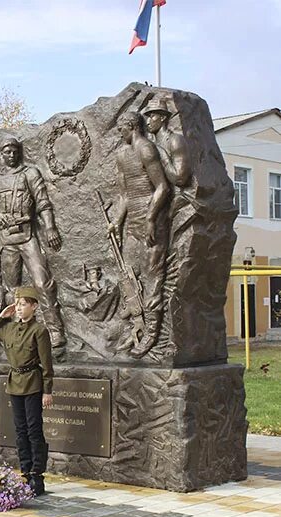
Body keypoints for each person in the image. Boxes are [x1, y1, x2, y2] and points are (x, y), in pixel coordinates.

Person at [0, 136, 66, 348]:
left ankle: (55, 330)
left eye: (15, 151)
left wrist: (50, 227)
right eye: (7, 151)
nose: (11, 155)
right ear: (1, 154)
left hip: (28, 237)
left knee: (43, 282)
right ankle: (18, 331)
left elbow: (43, 203)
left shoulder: (30, 173)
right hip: (7, 240)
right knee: (12, 288)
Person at [109, 111, 172, 357]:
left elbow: (163, 187)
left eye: (120, 128)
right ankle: (135, 328)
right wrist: (116, 221)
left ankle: (151, 336)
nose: (118, 133)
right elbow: (124, 194)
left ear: (132, 126)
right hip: (132, 224)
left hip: (152, 223)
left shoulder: (146, 149)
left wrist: (150, 218)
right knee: (129, 277)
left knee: (152, 279)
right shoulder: (122, 154)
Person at [0, 287, 54, 496]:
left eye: (24, 304)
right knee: (20, 429)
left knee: (34, 429)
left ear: (34, 306)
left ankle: (37, 474)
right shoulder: (9, 328)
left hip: (33, 382)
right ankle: (25, 471)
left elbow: (47, 364)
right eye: (18, 304)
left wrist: (47, 390)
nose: (20, 308)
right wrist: (1, 316)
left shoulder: (39, 331)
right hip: (14, 382)